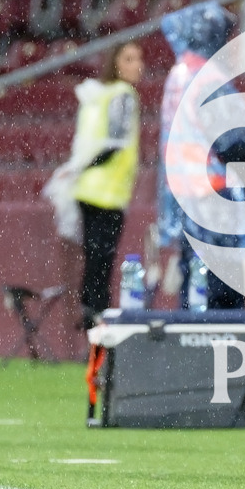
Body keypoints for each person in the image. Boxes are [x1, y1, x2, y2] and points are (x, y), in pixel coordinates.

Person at [158, 1, 245, 310]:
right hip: (213, 193)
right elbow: (234, 142)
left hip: (184, 193)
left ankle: (196, 349)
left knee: (195, 281)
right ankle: (223, 349)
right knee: (223, 285)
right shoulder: (208, 79)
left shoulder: (179, 73)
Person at [70, 41, 143, 329]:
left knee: (93, 259)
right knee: (102, 261)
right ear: (116, 63)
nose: (138, 65)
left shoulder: (99, 96)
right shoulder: (124, 95)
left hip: (87, 188)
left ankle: (90, 315)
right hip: (107, 191)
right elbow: (114, 141)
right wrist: (88, 164)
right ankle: (98, 322)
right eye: (129, 58)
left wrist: (78, 168)